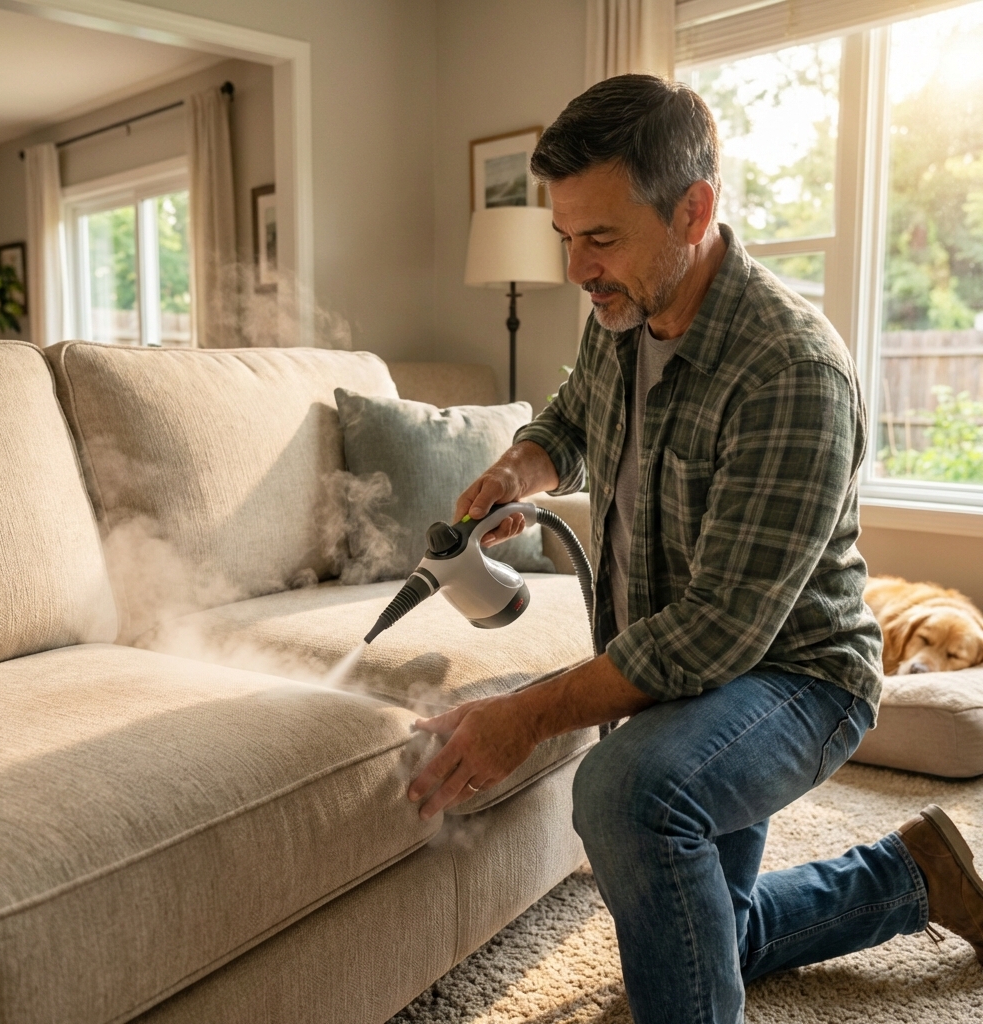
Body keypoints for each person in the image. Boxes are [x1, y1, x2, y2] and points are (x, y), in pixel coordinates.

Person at [406, 74, 983, 1023]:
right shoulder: (622, 307)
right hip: (698, 673)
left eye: (601, 237)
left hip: (796, 678)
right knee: (693, 932)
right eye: (567, 239)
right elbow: (572, 419)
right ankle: (907, 877)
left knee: (628, 794)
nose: (578, 268)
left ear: (695, 210)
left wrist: (523, 716)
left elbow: (717, 633)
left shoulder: (793, 369)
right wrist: (522, 470)